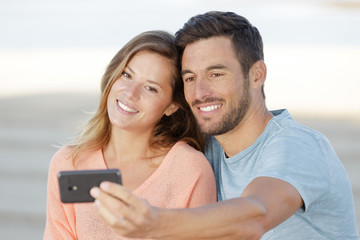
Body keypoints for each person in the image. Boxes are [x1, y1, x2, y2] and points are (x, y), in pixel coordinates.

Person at [89, 11, 360, 239]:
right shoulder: (203, 151)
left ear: (256, 75)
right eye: (190, 77)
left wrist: (157, 223)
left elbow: (256, 214)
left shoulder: (297, 145)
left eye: (216, 73)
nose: (200, 92)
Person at [43, 30, 217, 239]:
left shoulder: (189, 170)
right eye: (127, 75)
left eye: (150, 88)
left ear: (171, 106)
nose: (130, 93)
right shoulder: (68, 162)